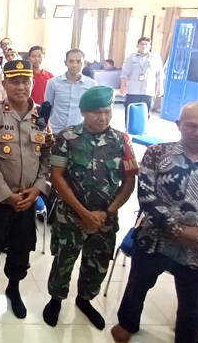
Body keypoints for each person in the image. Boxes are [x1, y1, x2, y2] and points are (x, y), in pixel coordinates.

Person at [110, 102, 198, 343]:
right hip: (155, 239)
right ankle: (127, 323)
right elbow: (147, 197)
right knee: (137, 286)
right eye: (191, 126)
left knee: (193, 304)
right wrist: (178, 230)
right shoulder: (156, 154)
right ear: (178, 124)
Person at [43, 86, 138, 330]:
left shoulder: (122, 140)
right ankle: (56, 299)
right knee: (63, 260)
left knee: (97, 264)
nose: (102, 118)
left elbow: (129, 181)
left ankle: (84, 300)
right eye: (96, 112)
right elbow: (57, 177)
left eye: (107, 112)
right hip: (70, 216)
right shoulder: (67, 137)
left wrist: (106, 213)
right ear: (84, 112)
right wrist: (83, 213)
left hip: (105, 219)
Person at [0, 60, 51, 319]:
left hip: (27, 199)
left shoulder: (41, 117)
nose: (20, 87)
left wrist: (38, 189)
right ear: (4, 84)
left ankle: (14, 288)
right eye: (14, 81)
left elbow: (46, 158)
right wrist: (7, 195)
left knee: (22, 248)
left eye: (25, 81)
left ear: (31, 82)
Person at [44, 49, 98, 133]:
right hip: (55, 131)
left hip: (79, 132)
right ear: (65, 63)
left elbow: (93, 110)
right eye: (71, 61)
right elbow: (47, 107)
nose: (74, 65)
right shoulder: (53, 83)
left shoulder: (91, 84)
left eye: (78, 62)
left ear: (85, 63)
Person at [120, 37, 164, 121]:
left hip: (148, 91)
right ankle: (128, 127)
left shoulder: (155, 58)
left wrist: (160, 88)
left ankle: (143, 128)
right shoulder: (131, 58)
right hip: (133, 90)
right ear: (137, 46)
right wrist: (123, 87)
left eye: (146, 44)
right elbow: (124, 74)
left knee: (145, 113)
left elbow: (159, 75)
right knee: (130, 112)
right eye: (141, 44)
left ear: (150, 46)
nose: (144, 46)